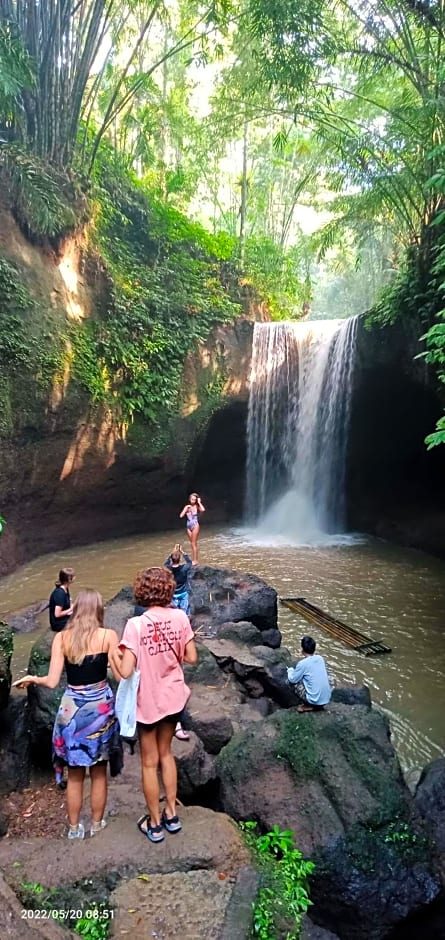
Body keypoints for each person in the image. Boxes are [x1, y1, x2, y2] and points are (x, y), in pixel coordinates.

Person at [13, 589, 121, 839]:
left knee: (75, 774)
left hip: (71, 709)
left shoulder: (62, 639)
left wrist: (32, 678)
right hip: (100, 709)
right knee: (98, 770)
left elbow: (51, 681)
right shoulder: (108, 636)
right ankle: (97, 824)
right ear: (98, 610)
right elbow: (118, 673)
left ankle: (73, 829)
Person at [111, 566, 198, 844]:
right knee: (166, 754)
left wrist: (113, 656)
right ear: (168, 590)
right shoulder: (180, 617)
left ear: (142, 591)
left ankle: (155, 823)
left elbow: (125, 673)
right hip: (173, 698)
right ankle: (172, 814)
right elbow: (192, 657)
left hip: (148, 702)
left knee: (149, 764)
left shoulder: (135, 625)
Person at [287, 635, 331, 712]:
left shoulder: (303, 663)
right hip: (326, 699)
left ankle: (308, 706)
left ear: (302, 650)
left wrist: (290, 670)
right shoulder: (320, 658)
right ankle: (316, 705)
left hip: (314, 701)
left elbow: (292, 680)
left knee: (291, 682)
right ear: (314, 648)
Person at [179, 493, 205, 565]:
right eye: (192, 499)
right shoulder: (187, 507)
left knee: (194, 543)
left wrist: (199, 502)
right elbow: (181, 516)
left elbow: (203, 510)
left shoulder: (197, 506)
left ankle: (195, 560)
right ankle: (194, 559)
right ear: (189, 499)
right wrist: (186, 508)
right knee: (192, 543)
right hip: (188, 526)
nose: (193, 500)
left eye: (195, 499)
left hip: (195, 525)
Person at [49, 567, 75, 632]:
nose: (75, 577)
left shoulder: (66, 588)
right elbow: (57, 614)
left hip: (65, 618)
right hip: (59, 624)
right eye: (73, 576)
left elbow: (68, 602)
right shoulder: (59, 593)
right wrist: (70, 609)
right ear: (69, 579)